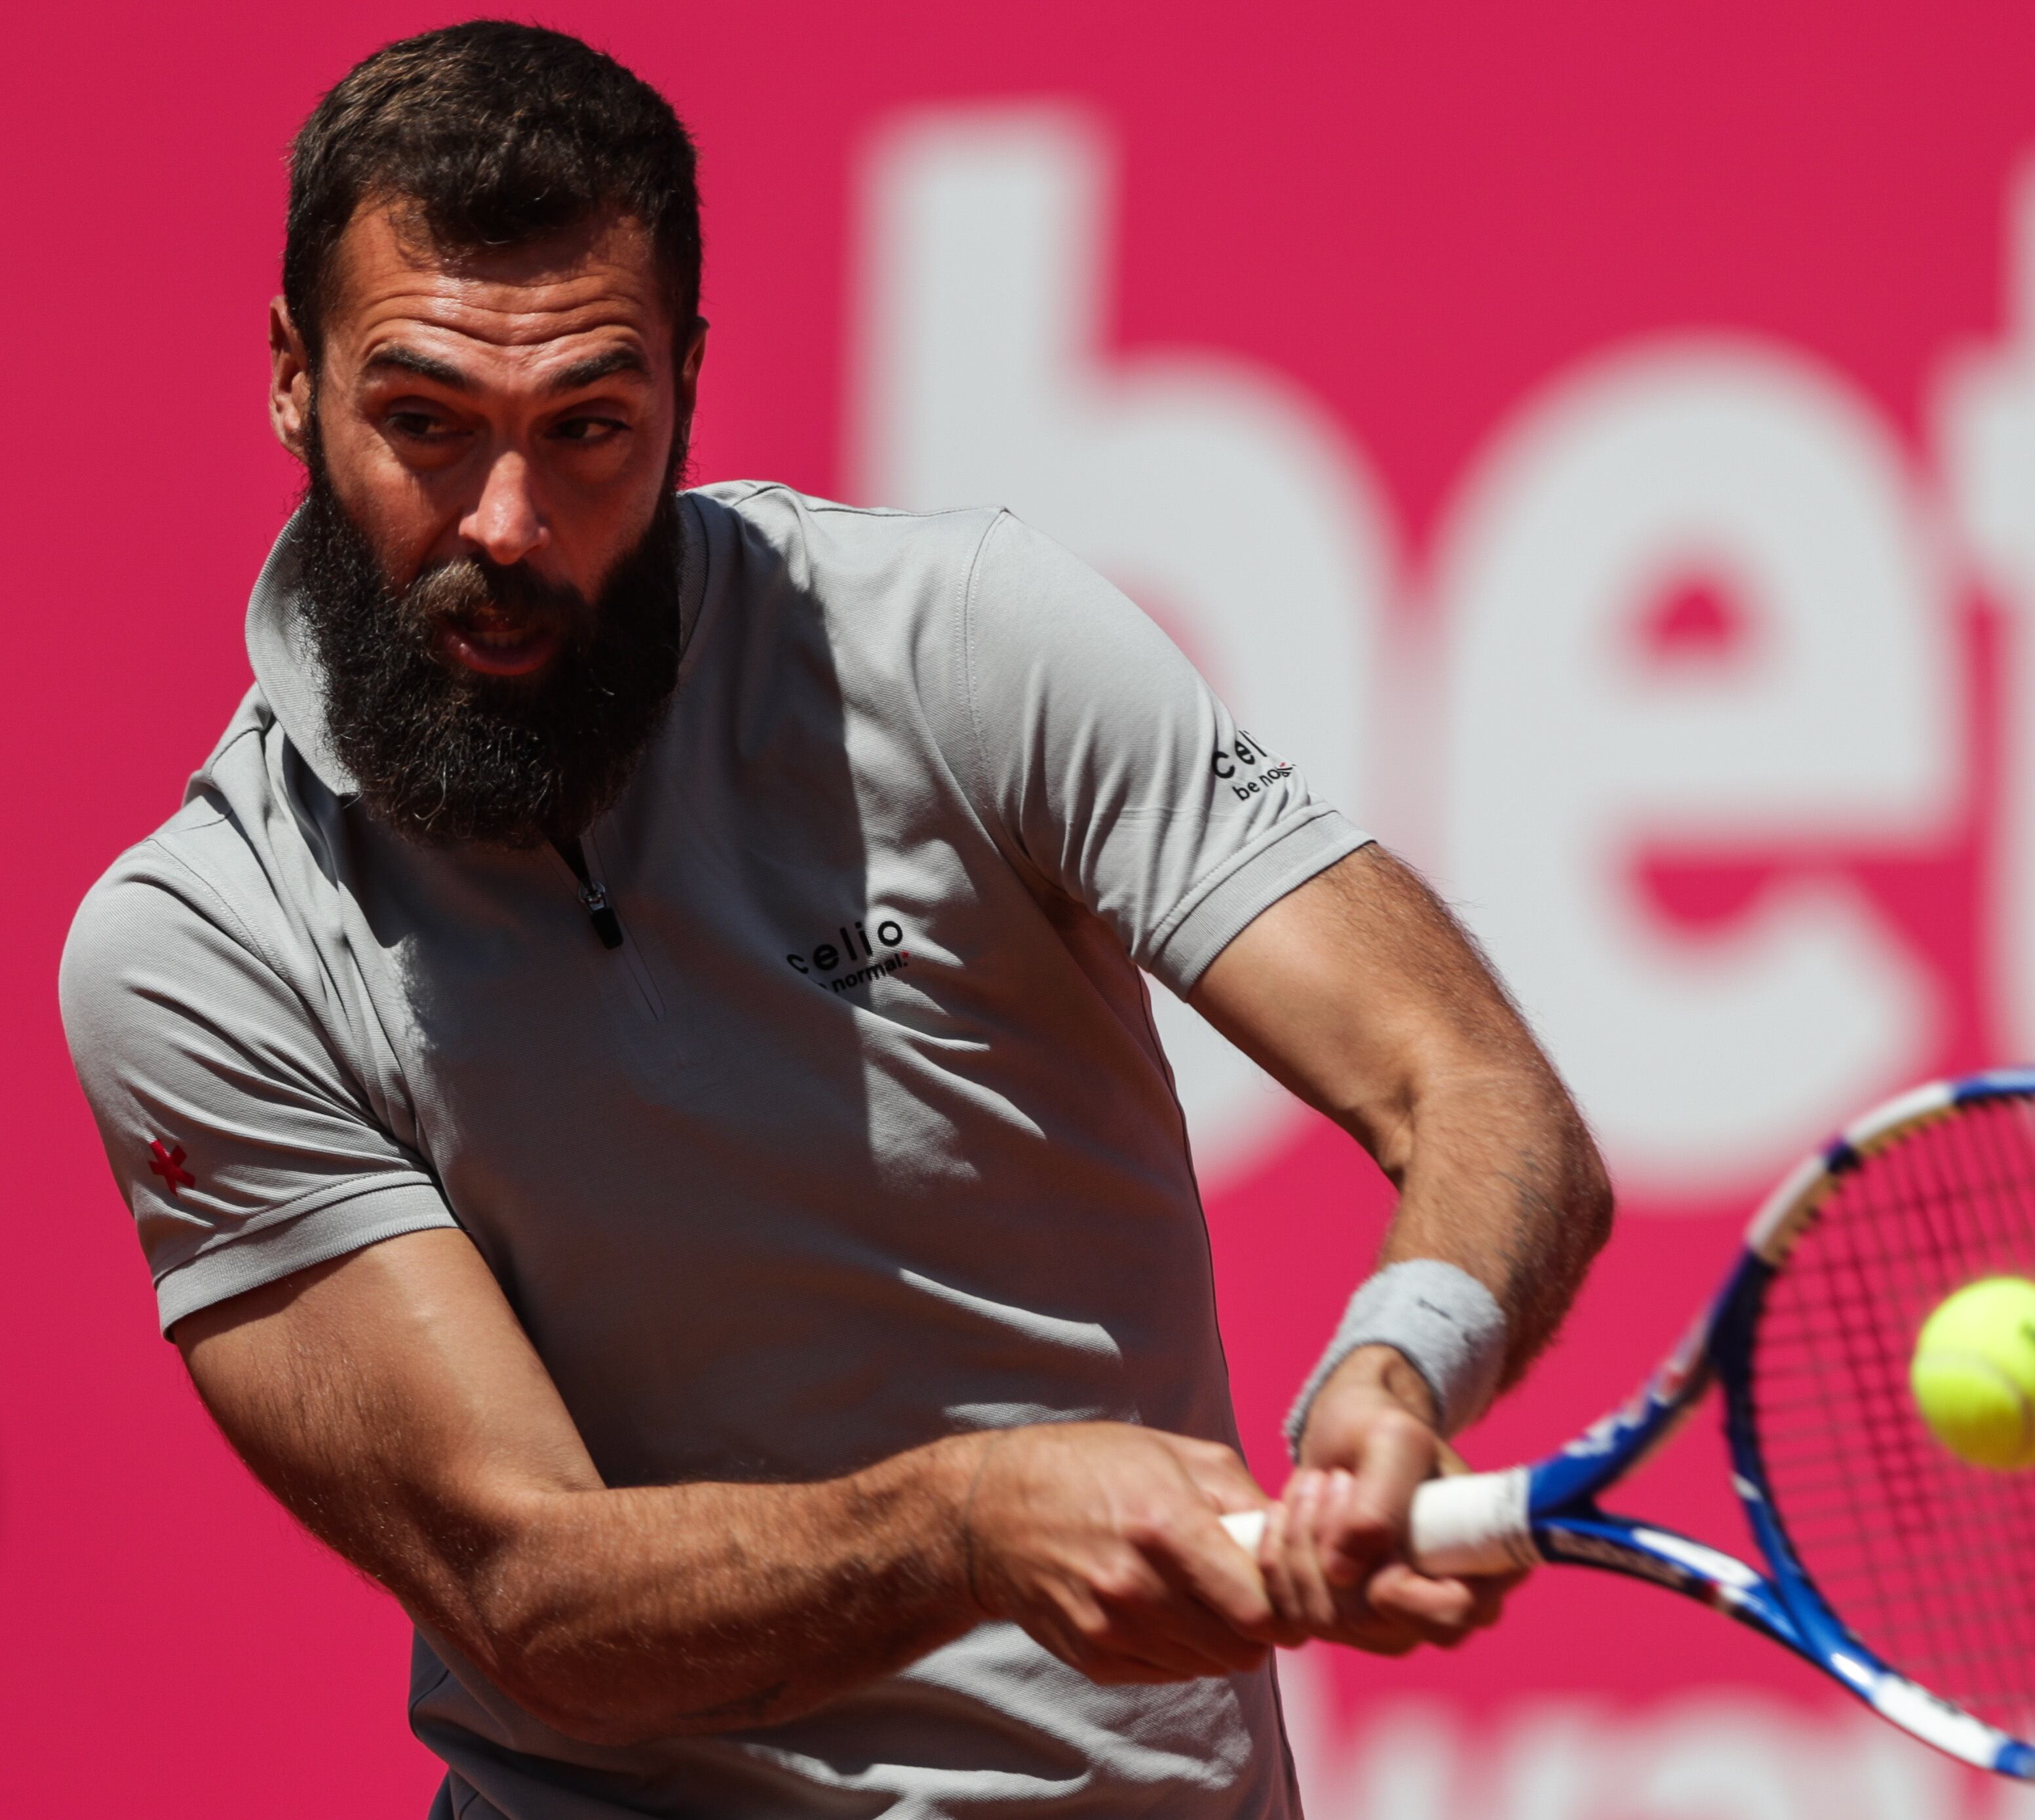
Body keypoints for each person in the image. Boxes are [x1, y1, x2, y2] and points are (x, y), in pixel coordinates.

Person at [57, 20, 1612, 1819]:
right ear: (288, 377)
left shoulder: (962, 644)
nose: (506, 518)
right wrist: (966, 1523)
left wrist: (1401, 1359)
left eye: (589, 430)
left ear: (690, 389)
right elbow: (527, 1589)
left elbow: (1476, 1086)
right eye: (423, 423)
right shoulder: (198, 946)